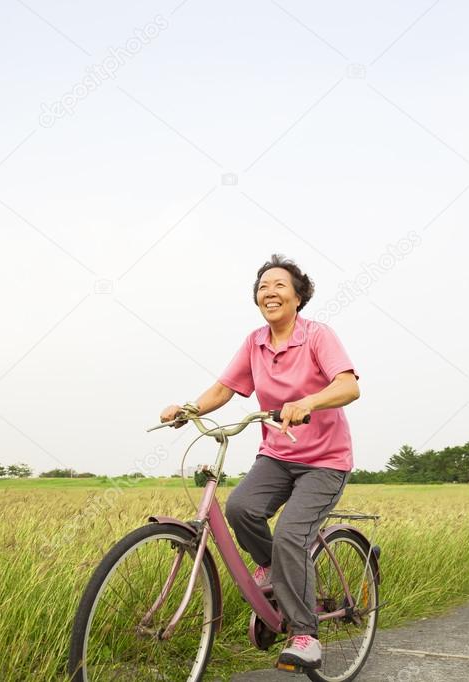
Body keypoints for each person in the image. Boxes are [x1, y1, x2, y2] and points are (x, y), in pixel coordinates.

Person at [159, 254, 360, 671]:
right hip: (277, 454)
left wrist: (308, 402)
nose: (270, 291)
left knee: (291, 533)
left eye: (280, 285)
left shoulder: (318, 335)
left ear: (299, 296)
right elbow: (225, 387)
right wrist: (190, 408)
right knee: (240, 508)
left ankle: (305, 635)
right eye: (263, 286)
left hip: (325, 461)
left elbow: (348, 386)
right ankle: (271, 567)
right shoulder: (255, 342)